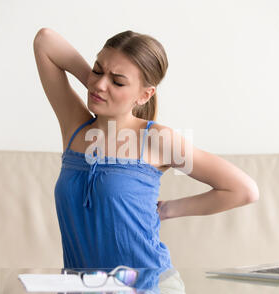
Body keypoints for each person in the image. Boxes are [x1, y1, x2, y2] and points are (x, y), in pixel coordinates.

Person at [33, 28, 259, 270]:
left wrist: (169, 209)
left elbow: (243, 190)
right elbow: (45, 40)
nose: (100, 84)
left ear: (144, 95)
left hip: (147, 290)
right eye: (98, 70)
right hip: (81, 292)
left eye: (118, 81)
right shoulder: (75, 127)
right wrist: (96, 82)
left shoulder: (155, 140)